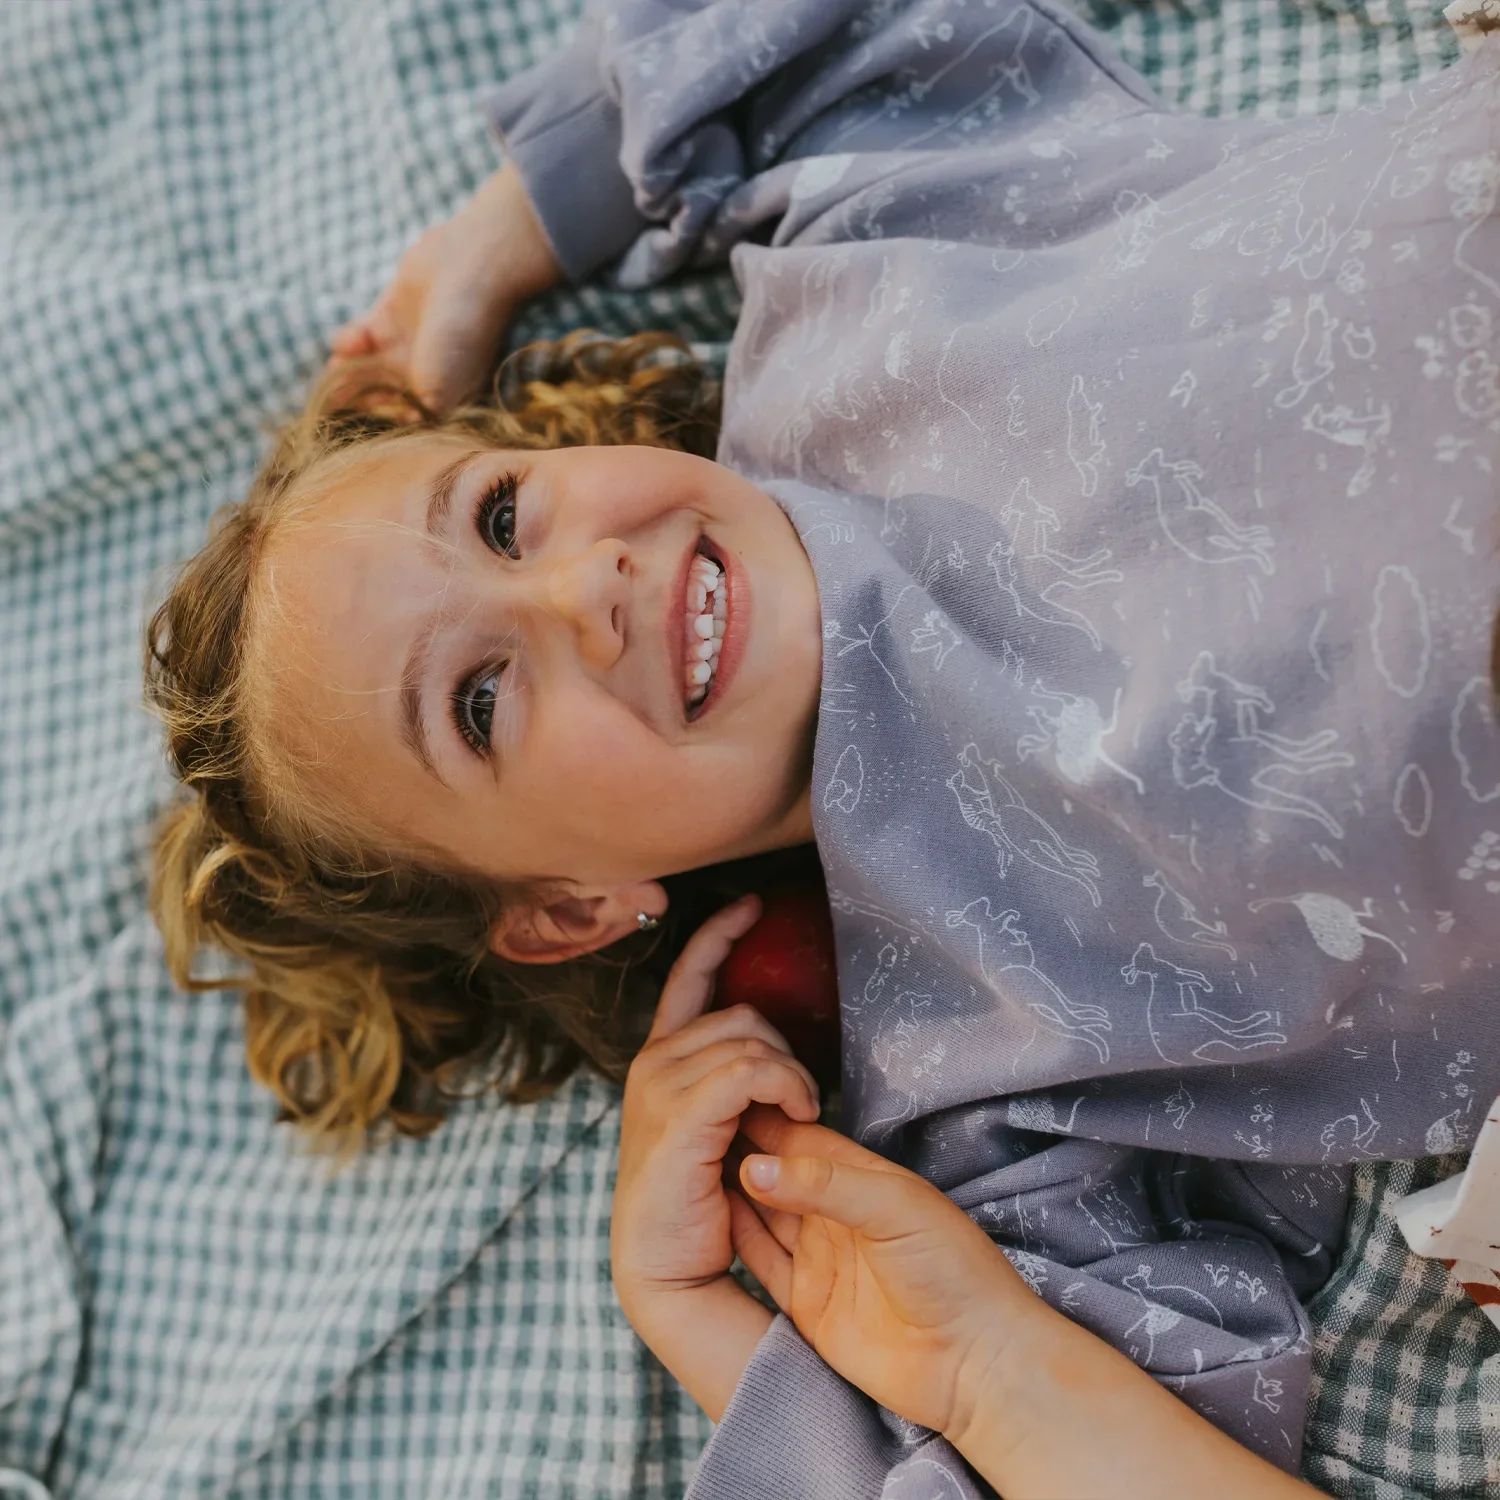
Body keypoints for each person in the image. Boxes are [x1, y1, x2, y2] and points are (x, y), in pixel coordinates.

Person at [145, 0, 1500, 1493]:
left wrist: (492, 243)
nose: (579, 590)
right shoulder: (992, 1061)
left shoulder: (859, 263)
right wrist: (700, 1325)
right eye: (479, 699)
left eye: (500, 513)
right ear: (571, 906)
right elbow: (1021, 1441)